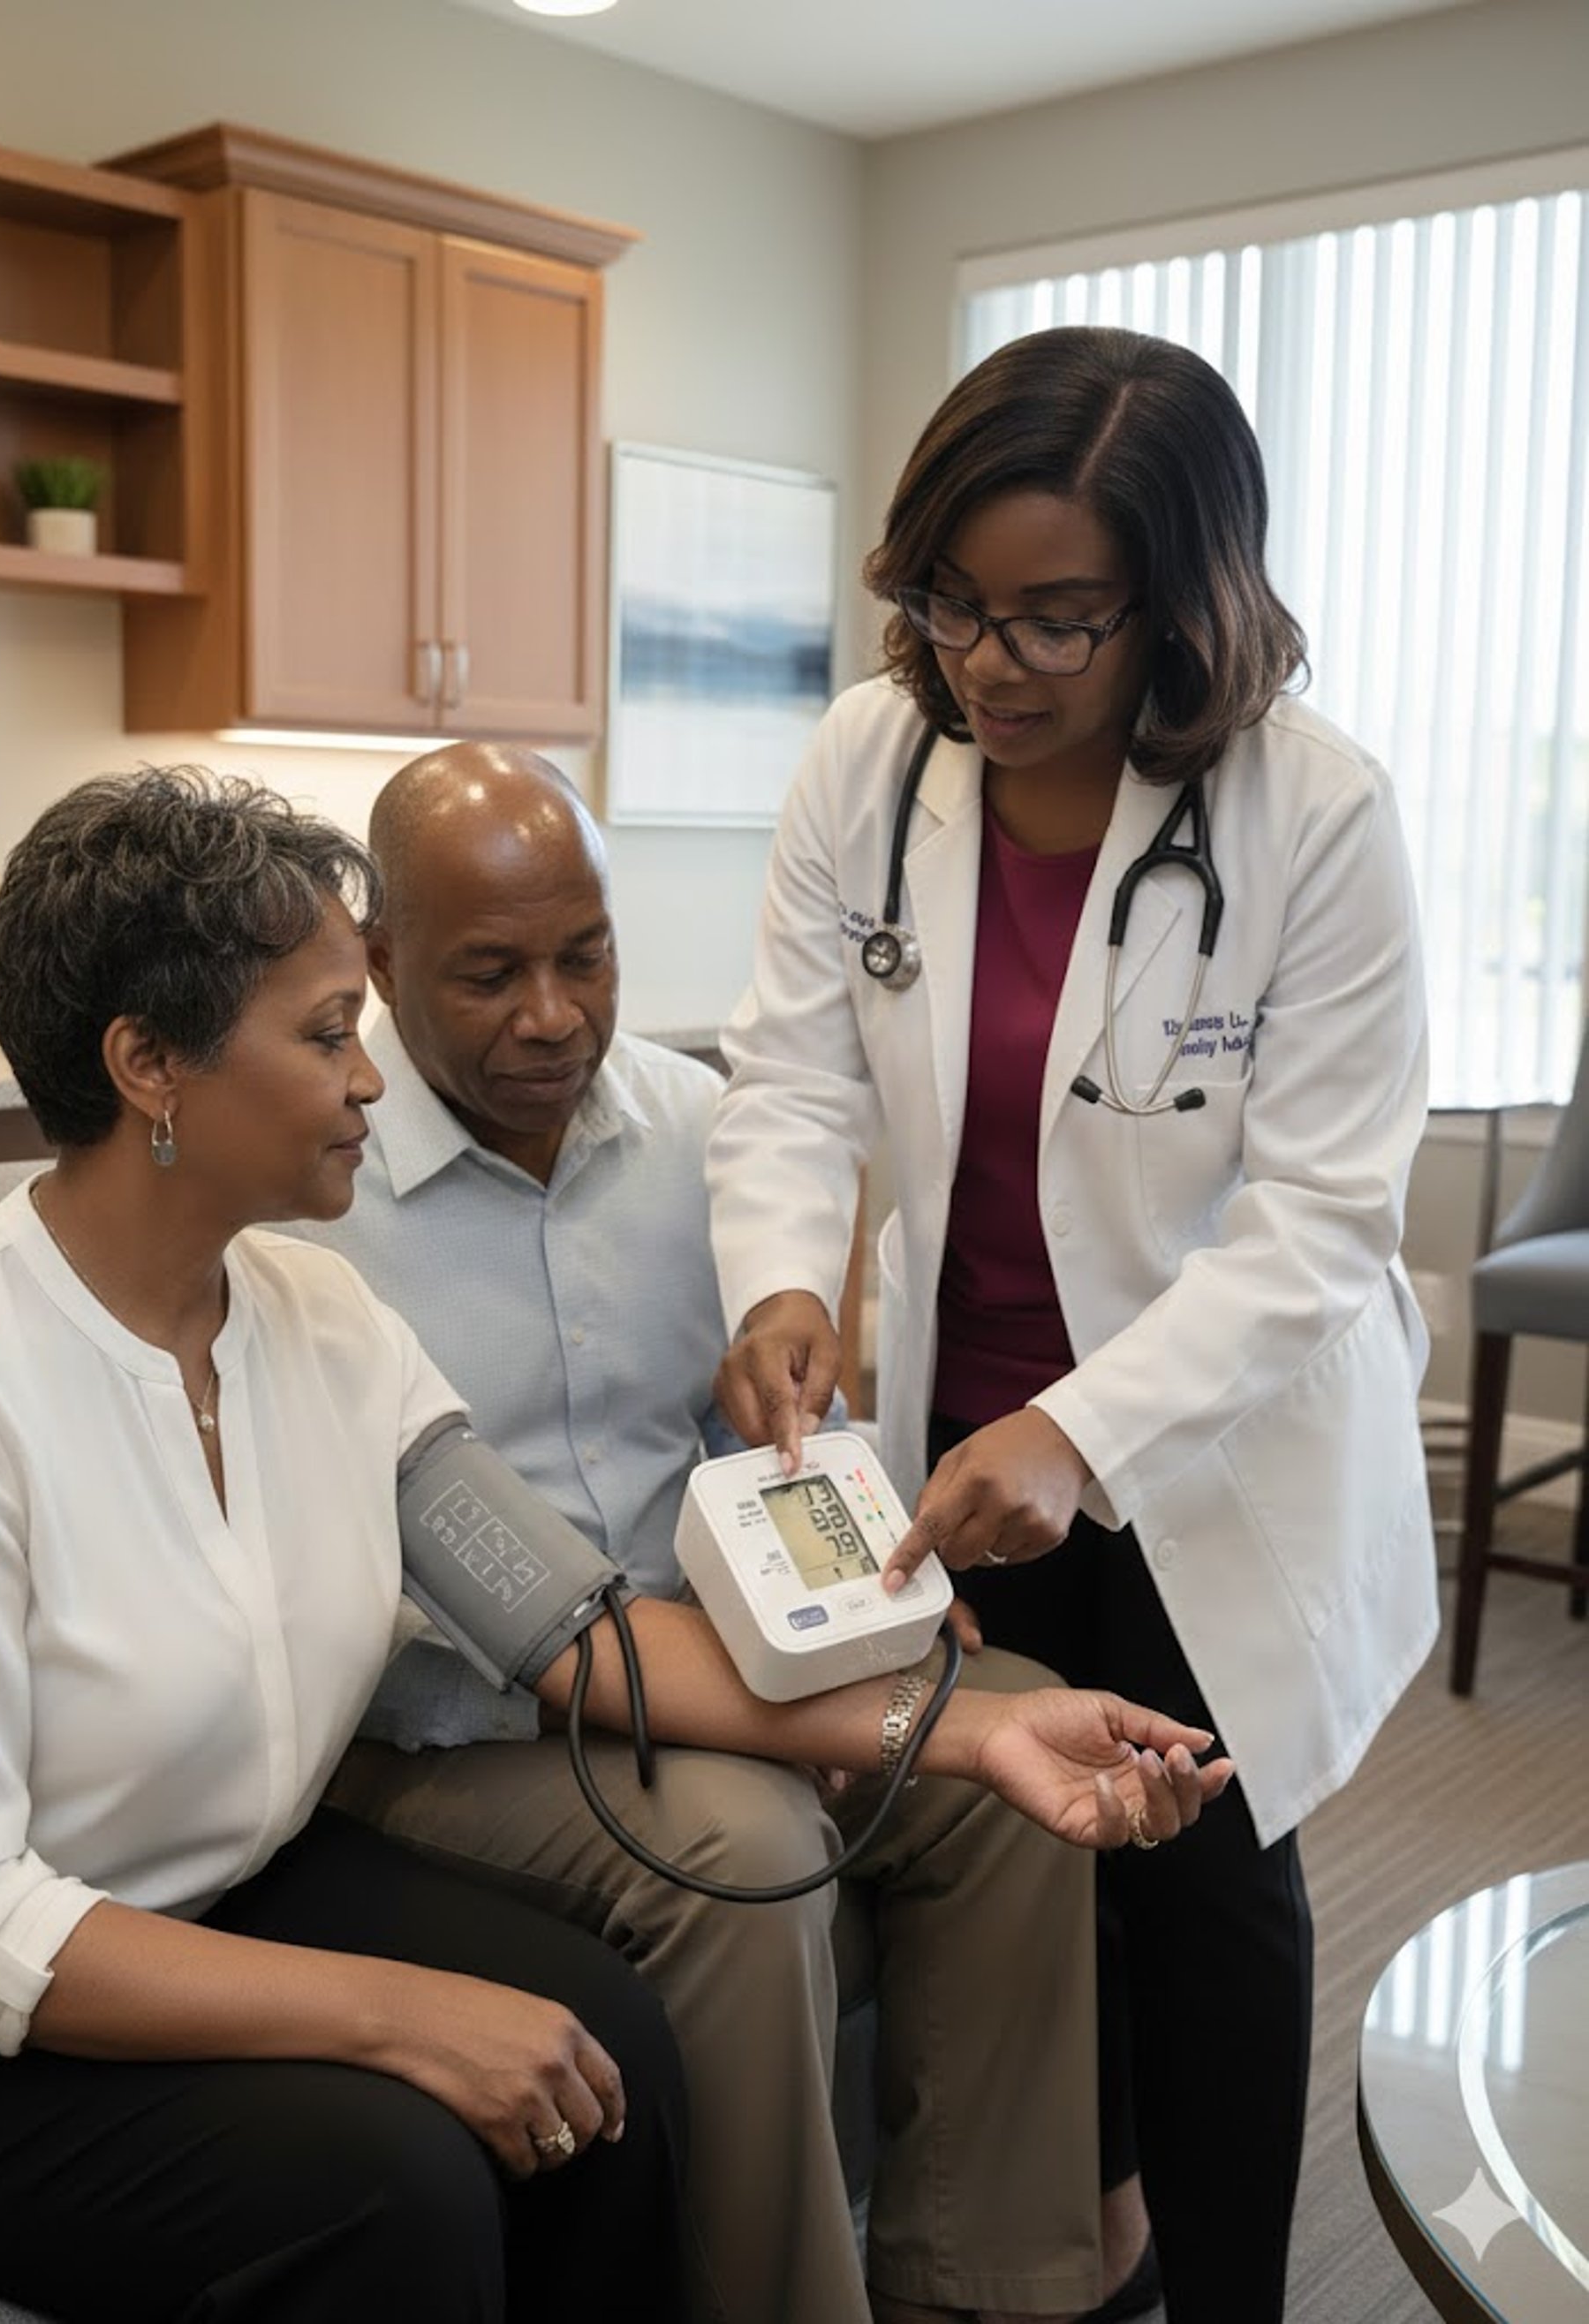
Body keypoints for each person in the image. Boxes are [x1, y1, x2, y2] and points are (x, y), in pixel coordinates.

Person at [0, 766, 1227, 2324]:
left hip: (231, 1886)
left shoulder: (323, 1322)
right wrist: (397, 2015)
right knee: (408, 2172)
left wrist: (972, 1736)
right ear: (149, 1068)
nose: (369, 1080)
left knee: (614, 2057)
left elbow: (577, 1630)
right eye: (329, 1036)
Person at [707, 326, 1438, 2324]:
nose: (987, 661)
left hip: (1214, 1443)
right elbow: (786, 1078)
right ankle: (1087, 2242)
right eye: (953, 601)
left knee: (1205, 1880)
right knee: (1030, 1847)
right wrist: (782, 1273)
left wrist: (1086, 1434)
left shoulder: (1318, 815)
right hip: (961, 1428)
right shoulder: (873, 769)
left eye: (1056, 619)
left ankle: (1225, 2298)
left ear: (1183, 604)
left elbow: (1319, 1221)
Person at [311, 739, 1208, 2324]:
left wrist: (878, 1600)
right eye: (491, 973)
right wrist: (771, 1709)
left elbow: (794, 1423)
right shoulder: (317, 1190)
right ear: (379, 962)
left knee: (1018, 1761)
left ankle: (992, 2287)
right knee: (741, 1839)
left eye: (585, 955)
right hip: (450, 1728)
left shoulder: (711, 1135)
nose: (554, 1015)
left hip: (737, 1655)